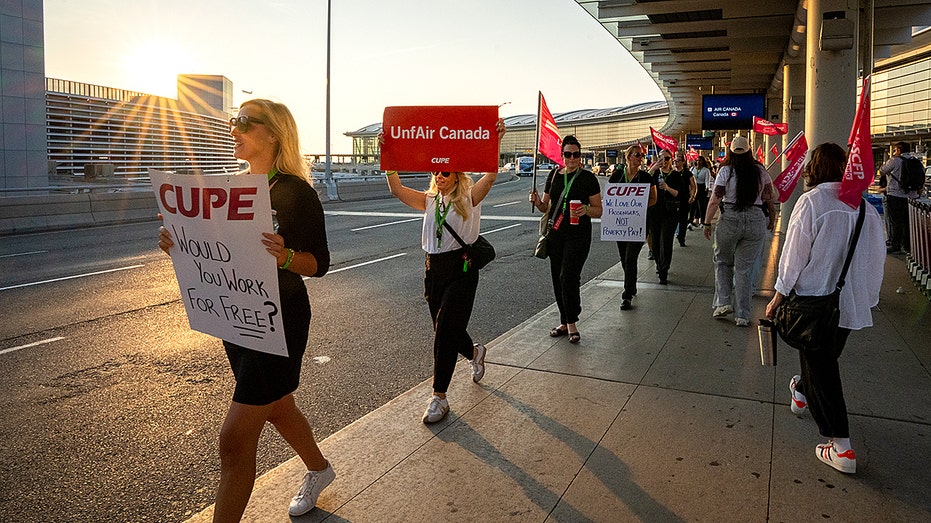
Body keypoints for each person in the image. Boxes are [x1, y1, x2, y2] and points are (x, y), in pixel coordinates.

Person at [158, 99, 334, 521]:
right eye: (232, 121)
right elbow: (220, 253)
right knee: (277, 407)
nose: (233, 128)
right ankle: (320, 469)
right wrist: (180, 244)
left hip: (279, 319)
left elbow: (320, 263)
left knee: (234, 438)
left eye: (243, 122)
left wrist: (285, 257)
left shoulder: (295, 192)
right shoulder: (230, 188)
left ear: (272, 134)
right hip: (235, 316)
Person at [765, 142, 885, 474]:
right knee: (821, 359)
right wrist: (867, 298)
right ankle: (801, 391)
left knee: (824, 371)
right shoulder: (863, 207)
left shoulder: (813, 202)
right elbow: (877, 259)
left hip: (813, 300)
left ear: (813, 169)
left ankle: (841, 446)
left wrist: (778, 295)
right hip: (847, 306)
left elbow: (794, 255)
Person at [382, 118, 506, 424]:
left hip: (461, 269)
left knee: (446, 331)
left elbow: (489, 177)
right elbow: (397, 189)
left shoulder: (468, 199)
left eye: (446, 172)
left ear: (457, 175)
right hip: (433, 269)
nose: (440, 176)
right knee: (444, 329)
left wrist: (496, 142)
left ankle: (439, 397)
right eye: (436, 172)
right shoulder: (428, 201)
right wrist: (389, 158)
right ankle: (475, 354)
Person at [530, 135, 603, 343]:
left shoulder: (588, 178)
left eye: (576, 154)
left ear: (581, 156)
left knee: (568, 277)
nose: (572, 158)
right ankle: (564, 321)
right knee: (557, 279)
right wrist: (536, 202)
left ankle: (571, 322)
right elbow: (546, 207)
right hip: (555, 235)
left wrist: (586, 209)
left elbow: (599, 210)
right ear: (562, 156)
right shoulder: (553, 175)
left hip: (578, 236)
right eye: (568, 154)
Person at [702, 136, 776, 327]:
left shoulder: (726, 170)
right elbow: (770, 196)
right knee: (744, 269)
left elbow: (715, 199)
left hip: (730, 218)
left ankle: (723, 302)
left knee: (723, 261)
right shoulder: (760, 170)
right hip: (755, 220)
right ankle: (742, 315)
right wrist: (772, 219)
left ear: (731, 152)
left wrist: (707, 222)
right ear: (750, 151)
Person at [608, 145, 658, 310]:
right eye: (637, 155)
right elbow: (610, 197)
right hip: (621, 224)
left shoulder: (645, 177)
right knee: (624, 258)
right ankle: (632, 284)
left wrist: (639, 207)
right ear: (628, 157)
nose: (640, 158)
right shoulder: (616, 176)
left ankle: (627, 294)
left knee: (630, 258)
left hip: (638, 224)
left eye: (642, 155)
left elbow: (653, 199)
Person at [648, 150, 686, 284]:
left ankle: (664, 269)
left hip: (670, 212)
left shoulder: (675, 175)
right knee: (656, 241)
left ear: (671, 160)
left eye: (667, 158)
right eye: (661, 158)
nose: (664, 160)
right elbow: (643, 185)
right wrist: (652, 169)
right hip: (655, 211)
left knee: (666, 241)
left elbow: (679, 194)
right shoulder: (654, 174)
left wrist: (667, 187)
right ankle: (659, 264)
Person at [878, 141, 922, 253]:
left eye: (895, 149)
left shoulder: (895, 161)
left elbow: (882, 171)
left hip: (895, 195)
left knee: (896, 222)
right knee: (908, 222)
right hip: (912, 196)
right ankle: (907, 245)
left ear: (898, 150)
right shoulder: (916, 162)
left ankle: (895, 245)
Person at [674, 153, 698, 247]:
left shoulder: (687, 173)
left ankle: (681, 238)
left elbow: (693, 186)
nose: (676, 163)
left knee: (683, 220)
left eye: (678, 161)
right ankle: (676, 234)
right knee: (674, 219)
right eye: (675, 161)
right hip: (674, 199)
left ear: (683, 162)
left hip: (684, 199)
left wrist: (692, 196)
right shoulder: (672, 172)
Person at [690, 155, 712, 228]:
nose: (698, 162)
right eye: (697, 160)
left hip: (702, 188)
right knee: (693, 205)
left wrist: (707, 187)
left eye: (700, 160)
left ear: (703, 162)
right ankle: (691, 221)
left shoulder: (706, 170)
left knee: (702, 205)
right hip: (694, 187)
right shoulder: (693, 169)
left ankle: (703, 221)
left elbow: (707, 179)